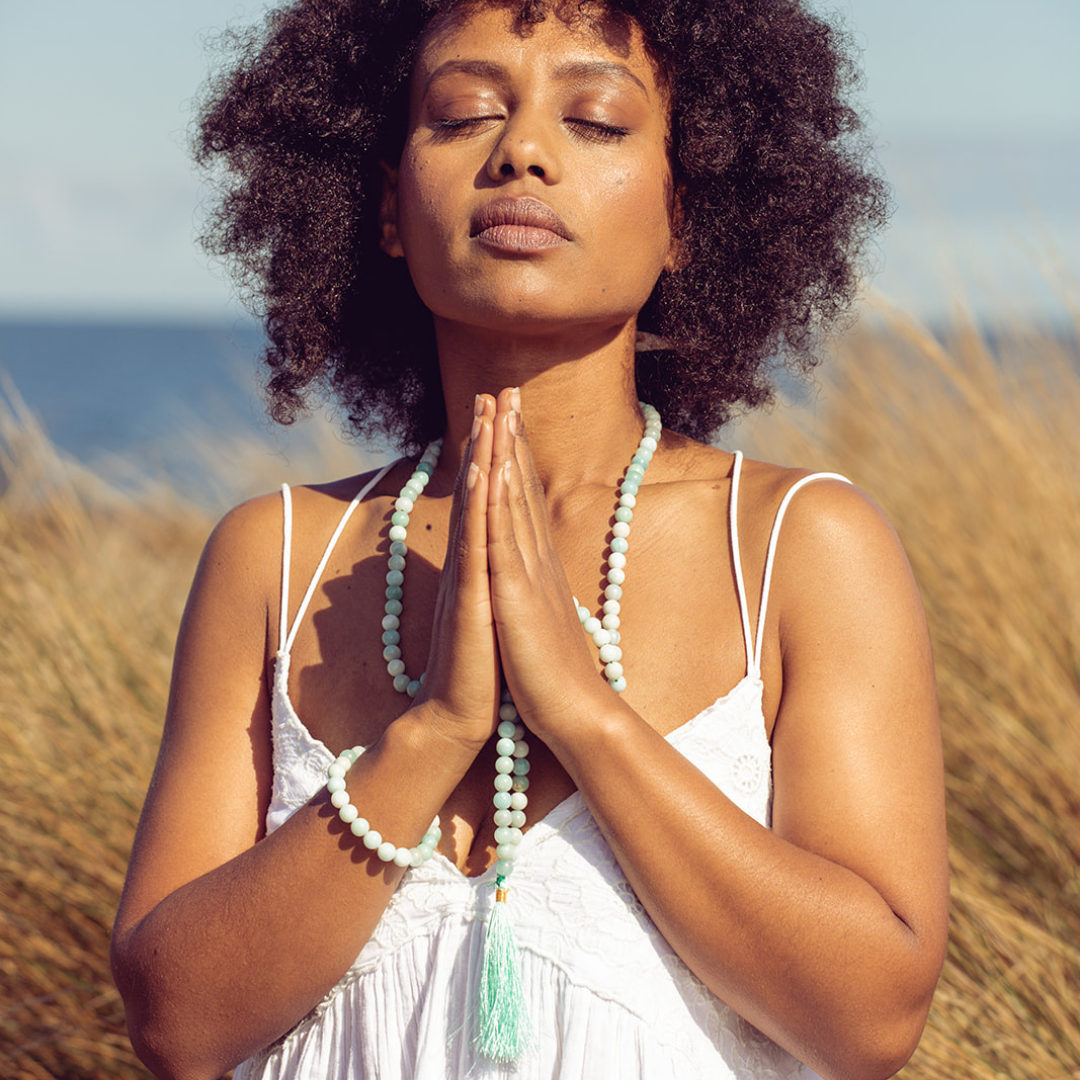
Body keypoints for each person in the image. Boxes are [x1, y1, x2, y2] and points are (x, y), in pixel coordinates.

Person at [110, 0, 948, 1077]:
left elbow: (869, 1021)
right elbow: (177, 1027)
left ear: (686, 214)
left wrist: (586, 717)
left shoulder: (800, 546)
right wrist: (433, 734)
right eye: (464, 114)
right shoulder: (273, 556)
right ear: (386, 208)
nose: (523, 152)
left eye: (595, 120)